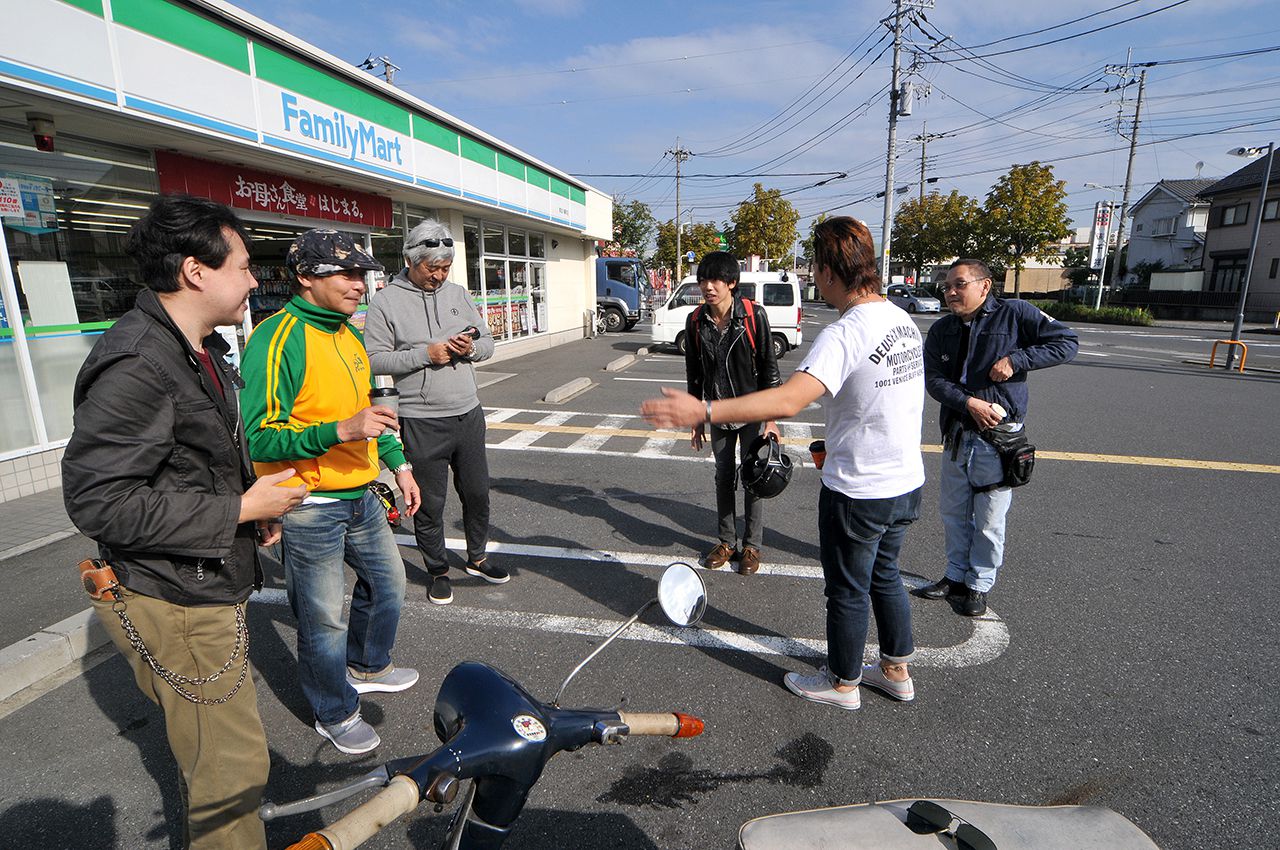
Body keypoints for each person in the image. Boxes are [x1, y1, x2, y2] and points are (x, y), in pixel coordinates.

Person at [62, 194, 308, 849]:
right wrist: (238, 509)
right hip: (174, 594)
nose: (255, 280)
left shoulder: (199, 347)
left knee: (228, 762)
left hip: (200, 577)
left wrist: (252, 506)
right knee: (230, 777)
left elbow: (194, 455)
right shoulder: (141, 360)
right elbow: (97, 501)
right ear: (197, 272)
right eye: (245, 266)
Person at [643, 217, 925, 711]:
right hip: (904, 483)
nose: (815, 277)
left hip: (860, 490)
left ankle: (842, 683)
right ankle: (897, 671)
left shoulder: (847, 332)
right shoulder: (901, 322)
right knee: (886, 575)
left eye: (816, 267)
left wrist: (703, 410)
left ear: (830, 273)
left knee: (848, 589)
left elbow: (790, 400)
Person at [241, 229, 422, 755]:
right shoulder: (277, 337)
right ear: (305, 277)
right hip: (309, 503)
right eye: (344, 273)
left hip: (363, 493)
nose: (359, 284)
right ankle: (333, 711)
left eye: (362, 273)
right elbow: (259, 434)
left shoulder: (348, 334)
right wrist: (338, 431)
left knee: (389, 584)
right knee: (322, 617)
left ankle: (365, 664)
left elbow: (373, 414)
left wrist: (399, 466)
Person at [917, 259, 1078, 616]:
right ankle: (956, 575)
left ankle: (979, 583)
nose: (950, 292)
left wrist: (1017, 359)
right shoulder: (943, 329)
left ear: (985, 286)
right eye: (947, 286)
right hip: (958, 433)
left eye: (959, 284)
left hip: (998, 438)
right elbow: (934, 380)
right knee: (954, 512)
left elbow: (1067, 341)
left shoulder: (1015, 314)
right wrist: (968, 402)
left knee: (990, 518)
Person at [364, 219, 503, 606]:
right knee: (430, 502)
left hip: (468, 412)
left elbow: (488, 341)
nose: (439, 276)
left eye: (445, 268)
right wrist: (426, 354)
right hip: (421, 418)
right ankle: (438, 568)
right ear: (411, 259)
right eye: (432, 268)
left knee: (477, 493)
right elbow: (373, 359)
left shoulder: (458, 292)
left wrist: (469, 348)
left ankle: (477, 557)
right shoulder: (386, 302)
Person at [683, 251, 781, 575]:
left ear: (732, 283)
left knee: (754, 477)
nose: (708, 286)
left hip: (752, 411)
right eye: (703, 280)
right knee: (723, 477)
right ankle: (726, 541)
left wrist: (772, 420)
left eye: (716, 280)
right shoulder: (696, 321)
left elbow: (769, 369)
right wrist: (697, 419)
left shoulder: (753, 316)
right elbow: (694, 374)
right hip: (718, 413)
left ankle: (751, 546)